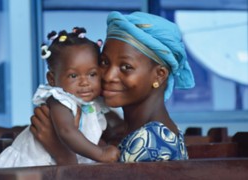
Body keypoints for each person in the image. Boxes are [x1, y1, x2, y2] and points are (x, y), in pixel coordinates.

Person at [30, 11, 195, 163]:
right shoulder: (132, 130)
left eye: (126, 67)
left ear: (159, 74)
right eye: (104, 62)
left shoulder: (152, 145)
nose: (108, 75)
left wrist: (63, 155)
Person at [0, 27, 120, 168]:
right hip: (29, 166)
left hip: (55, 168)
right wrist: (100, 153)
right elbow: (67, 131)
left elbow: (87, 137)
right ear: (52, 79)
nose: (85, 82)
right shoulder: (60, 100)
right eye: (73, 76)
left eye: (92, 74)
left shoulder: (91, 105)